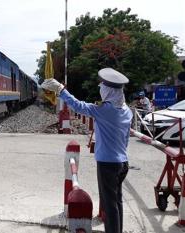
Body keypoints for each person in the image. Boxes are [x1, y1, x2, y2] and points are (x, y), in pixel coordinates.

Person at [41, 68, 132, 233]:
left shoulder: (104, 111)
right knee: (117, 202)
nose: (101, 89)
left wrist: (61, 89)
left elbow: (78, 105)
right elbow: (125, 140)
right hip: (123, 163)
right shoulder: (127, 111)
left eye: (103, 87)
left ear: (109, 91)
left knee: (109, 206)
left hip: (108, 164)